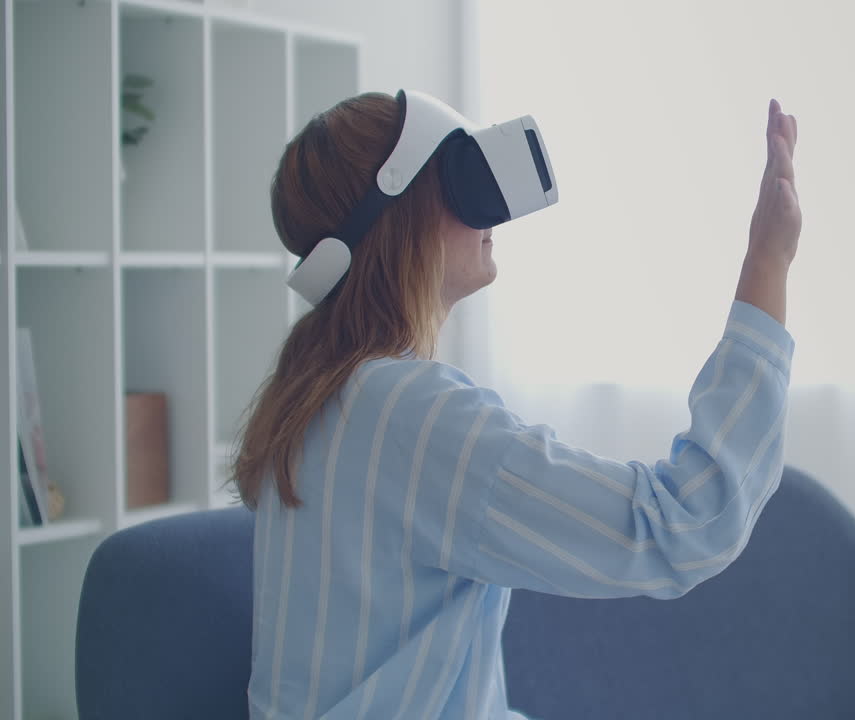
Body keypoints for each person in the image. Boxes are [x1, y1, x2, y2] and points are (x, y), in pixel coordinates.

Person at [232, 92, 801, 720]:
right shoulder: (406, 413)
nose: (493, 215)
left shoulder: (322, 395)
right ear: (404, 211)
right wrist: (768, 262)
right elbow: (684, 524)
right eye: (461, 181)